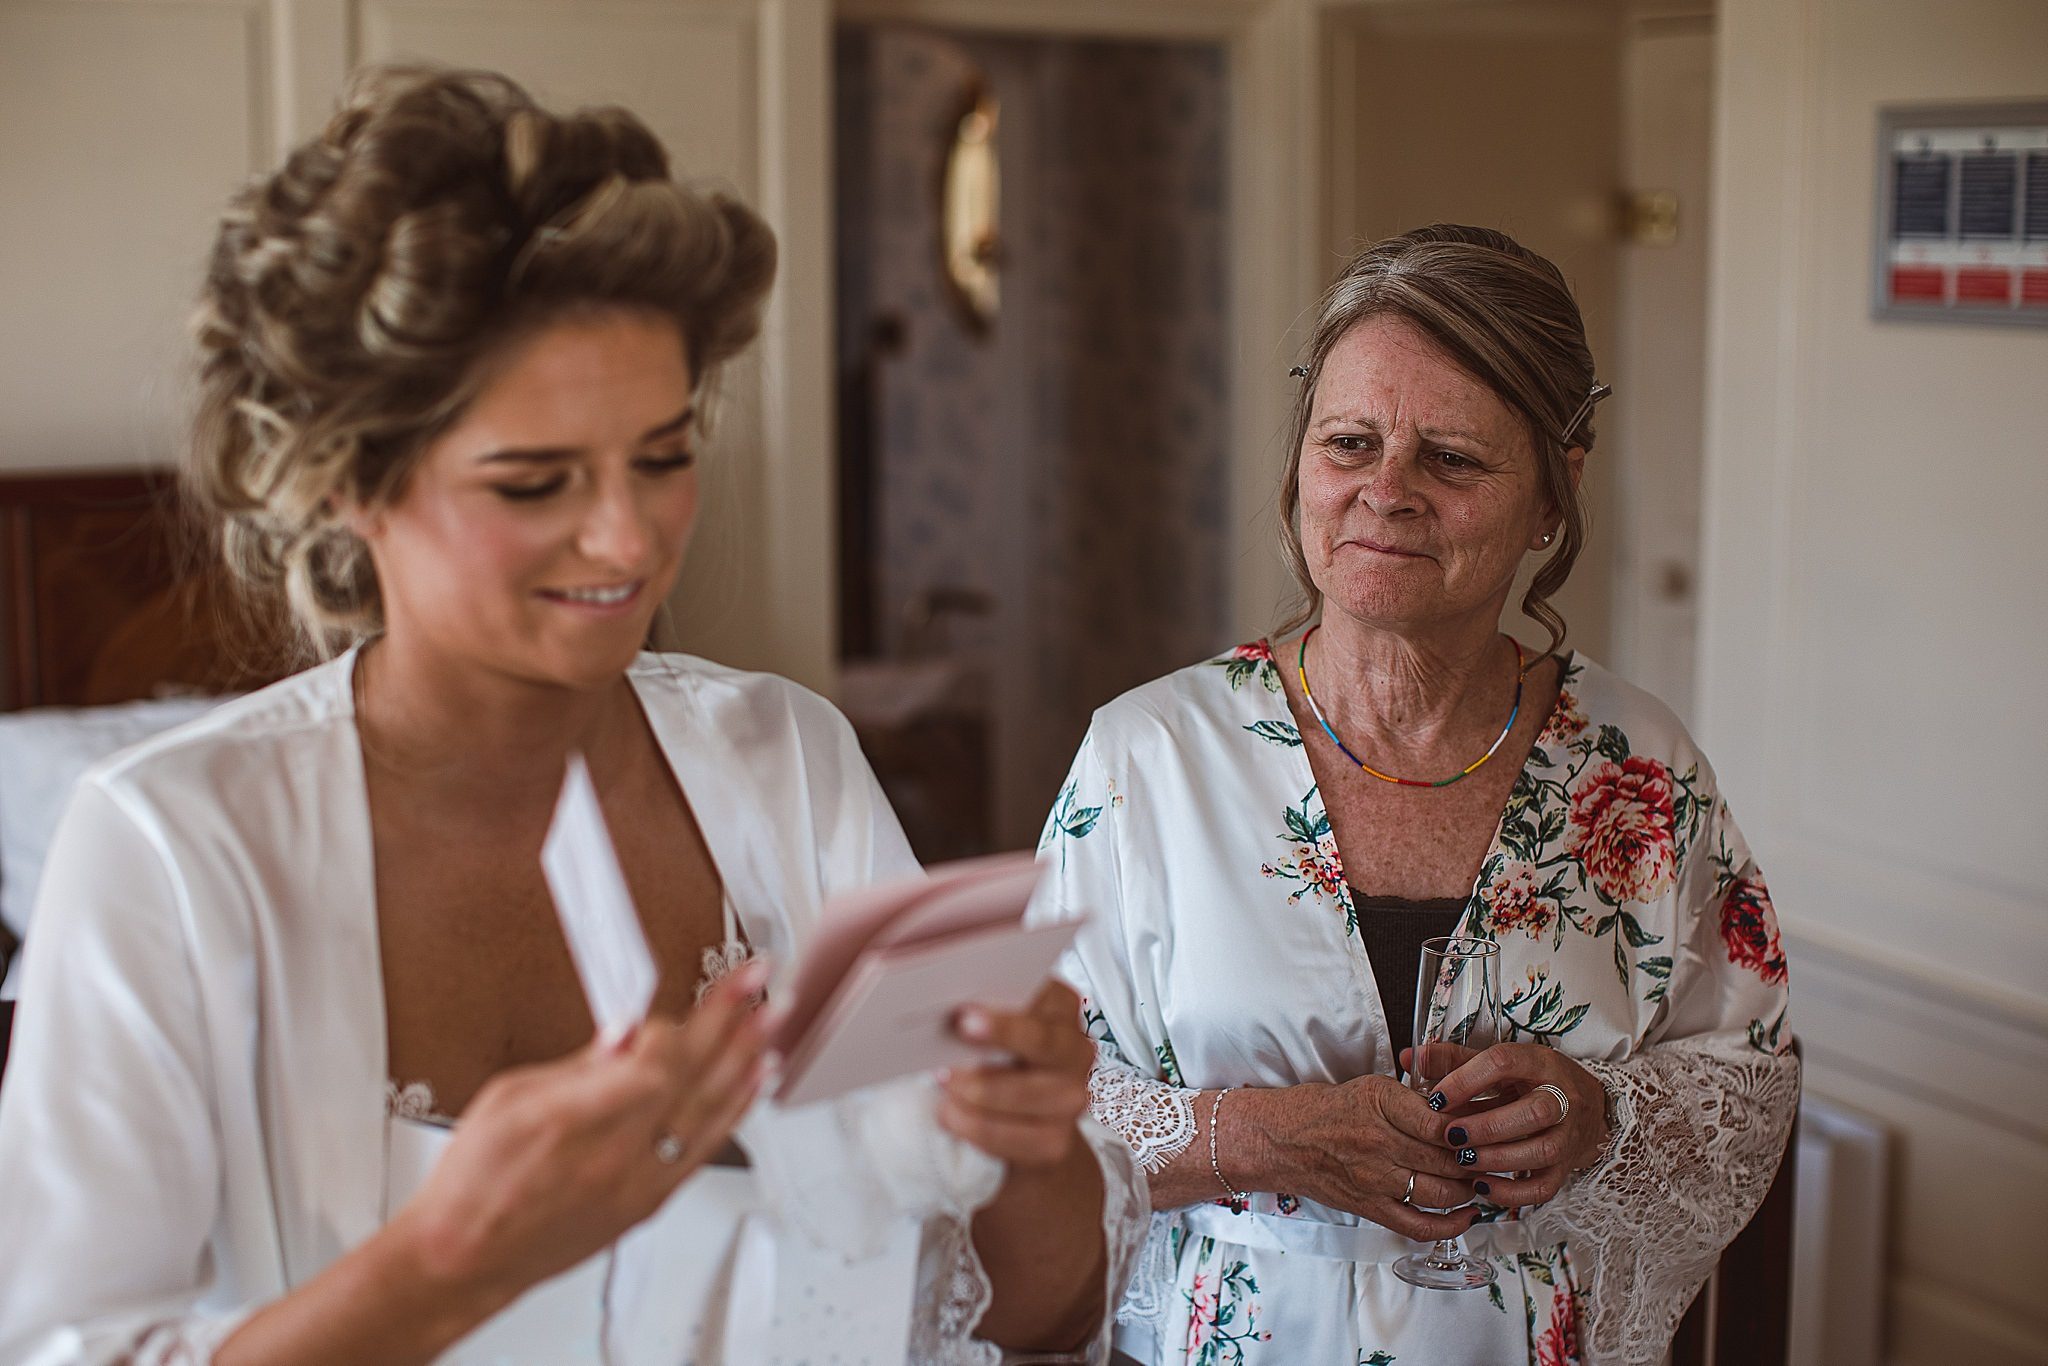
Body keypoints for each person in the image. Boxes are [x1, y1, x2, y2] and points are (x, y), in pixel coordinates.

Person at [0, 66, 1143, 1364]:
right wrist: (448, 1263)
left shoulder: (786, 760)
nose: (627, 538)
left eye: (663, 455)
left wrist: (1033, 1139)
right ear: (347, 485)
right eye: (536, 480)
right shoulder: (167, 849)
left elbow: (1043, 1318)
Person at [1034, 225, 1798, 1366]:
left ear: (1553, 490)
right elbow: (1027, 1105)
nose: (1383, 493)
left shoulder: (1637, 768)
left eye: (1449, 458)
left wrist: (1600, 1118)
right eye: (1348, 442)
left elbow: (1742, 1089)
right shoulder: (1146, 759)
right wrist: (1253, 1136)